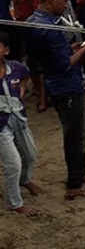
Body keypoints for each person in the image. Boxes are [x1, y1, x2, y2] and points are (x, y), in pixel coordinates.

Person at [24, 0, 85, 199]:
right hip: (65, 84)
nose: (66, 6)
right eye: (64, 1)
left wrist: (70, 49)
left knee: (79, 131)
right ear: (52, 0)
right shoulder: (50, 27)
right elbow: (63, 64)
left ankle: (80, 171)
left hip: (56, 81)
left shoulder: (35, 21)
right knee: (75, 134)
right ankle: (75, 183)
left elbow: (51, 55)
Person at [0, 31, 41, 215]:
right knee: (13, 163)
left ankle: (25, 179)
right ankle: (15, 202)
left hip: (19, 118)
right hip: (1, 125)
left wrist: (21, 93)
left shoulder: (16, 68)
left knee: (30, 154)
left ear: (6, 50)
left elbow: (26, 76)